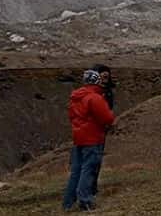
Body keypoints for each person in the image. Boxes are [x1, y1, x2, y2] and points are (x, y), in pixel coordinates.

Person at [62, 69, 115, 211]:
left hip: (78, 138)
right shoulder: (95, 97)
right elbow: (107, 118)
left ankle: (67, 203)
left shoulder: (75, 98)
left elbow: (71, 117)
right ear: (96, 81)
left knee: (76, 171)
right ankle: (85, 200)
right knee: (88, 170)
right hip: (92, 138)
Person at [89, 64, 115, 199]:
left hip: (101, 130)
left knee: (97, 159)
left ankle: (92, 186)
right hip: (92, 130)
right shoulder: (94, 93)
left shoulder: (108, 91)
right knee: (91, 159)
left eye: (107, 76)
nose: (105, 79)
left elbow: (110, 108)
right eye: (103, 76)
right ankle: (87, 189)